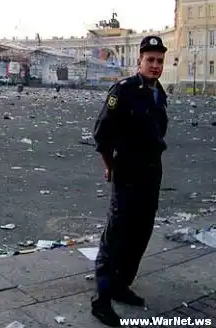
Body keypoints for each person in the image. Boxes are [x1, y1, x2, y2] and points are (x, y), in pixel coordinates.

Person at [91, 35, 168, 326]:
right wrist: (109, 166)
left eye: (159, 61)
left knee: (140, 233)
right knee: (116, 237)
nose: (155, 65)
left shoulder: (159, 93)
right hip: (128, 173)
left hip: (152, 173)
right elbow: (102, 135)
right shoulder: (123, 90)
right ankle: (101, 301)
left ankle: (121, 285)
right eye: (150, 60)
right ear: (140, 61)